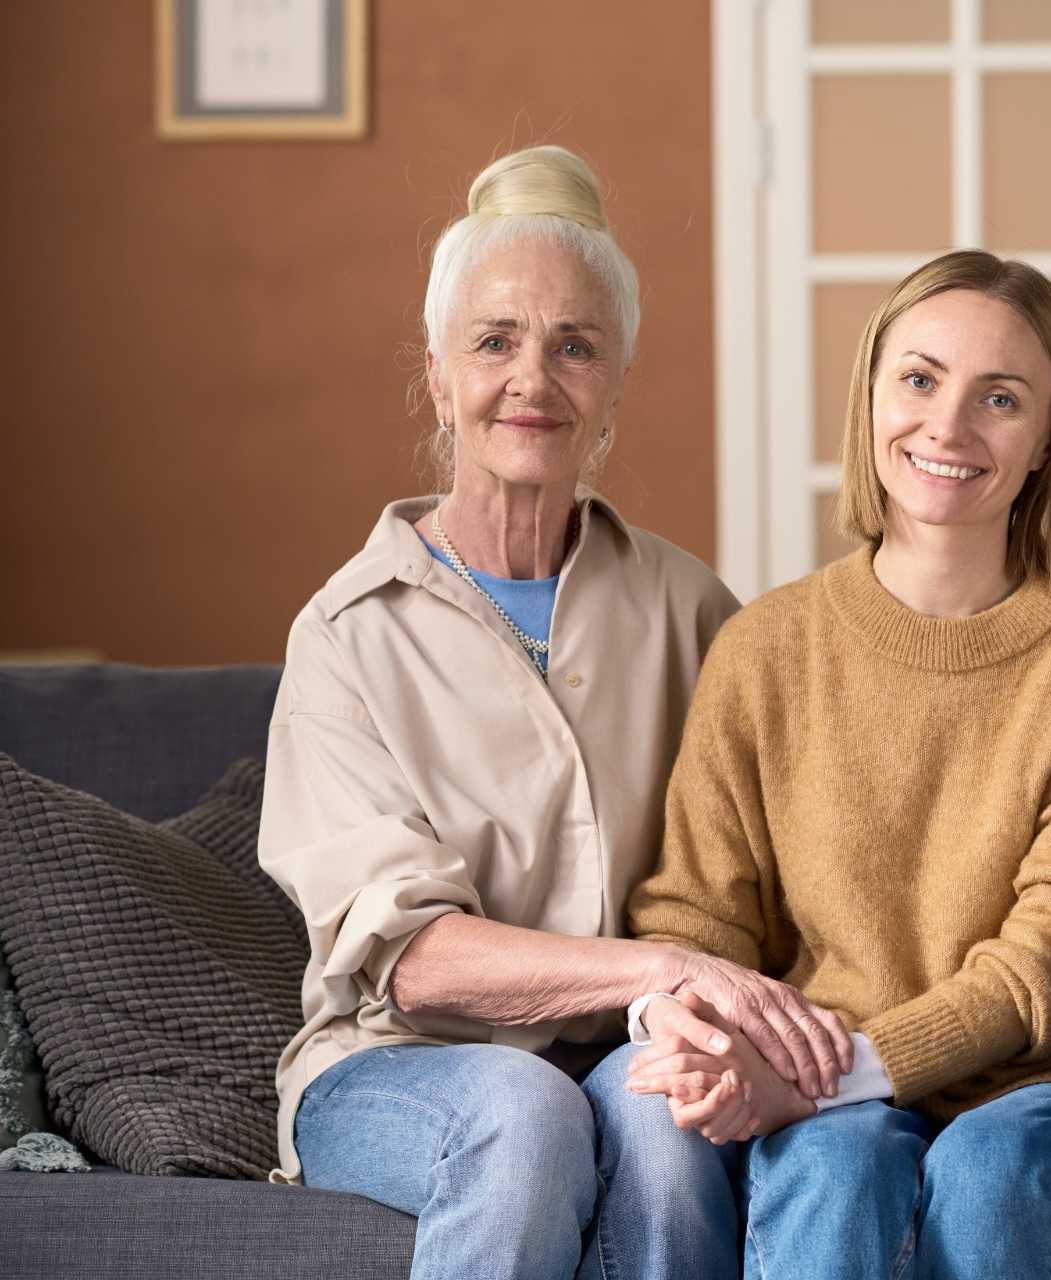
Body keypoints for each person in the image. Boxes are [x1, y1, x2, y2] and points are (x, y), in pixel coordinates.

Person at [258, 145, 854, 1280]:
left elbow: (780, 861)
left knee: (668, 1131)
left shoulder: (690, 606)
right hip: (395, 1061)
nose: (533, 377)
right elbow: (418, 960)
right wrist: (655, 969)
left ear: (614, 386)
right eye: (495, 342)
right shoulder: (346, 632)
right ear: (438, 375)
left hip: (625, 1048)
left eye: (575, 345)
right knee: (522, 1112)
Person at [619, 249, 1051, 1280]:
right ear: (870, 392)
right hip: (812, 1078)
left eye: (999, 398)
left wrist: (839, 1071)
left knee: (993, 1178)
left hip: (1024, 1085)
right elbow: (696, 921)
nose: (948, 428)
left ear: (1050, 436)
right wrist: (704, 1038)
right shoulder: (765, 646)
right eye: (918, 379)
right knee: (835, 1171)